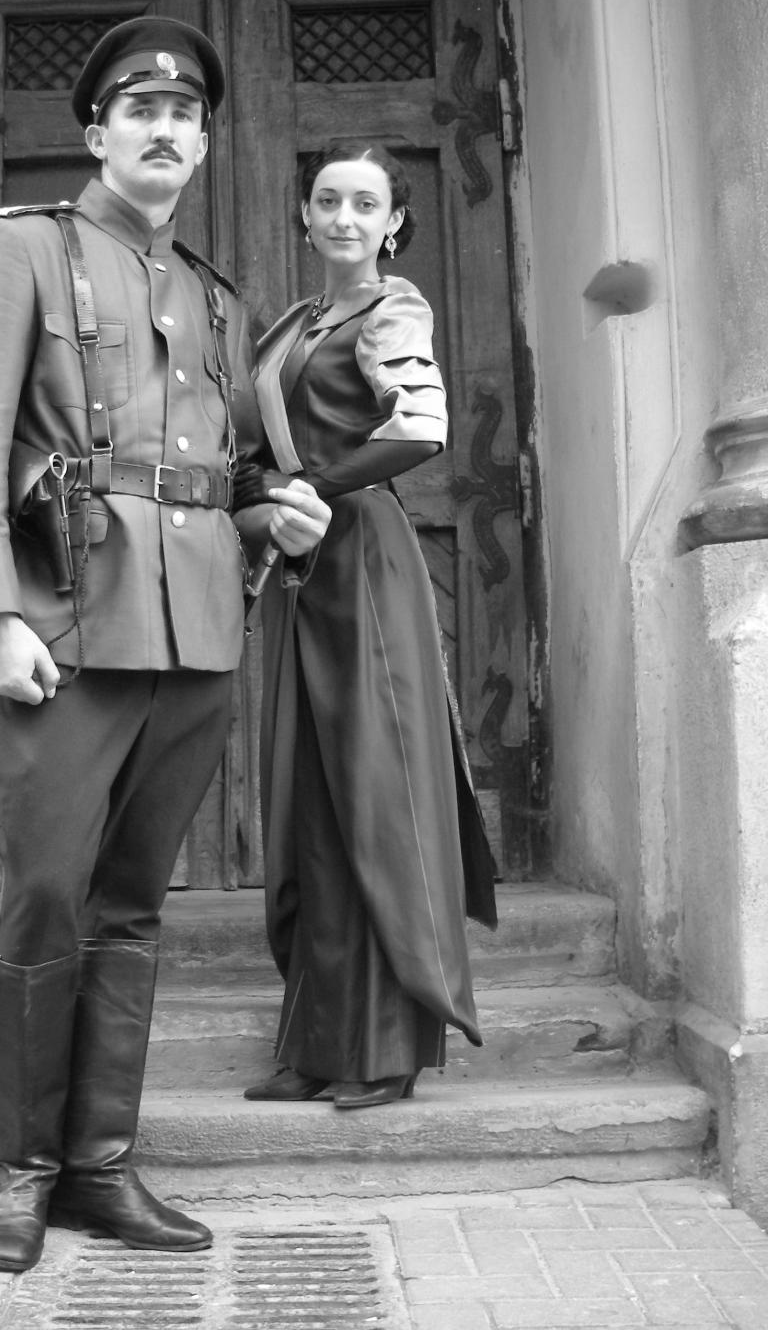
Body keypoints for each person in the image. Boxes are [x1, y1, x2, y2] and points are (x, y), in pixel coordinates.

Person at [0, 17, 331, 1273]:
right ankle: (23, 1171)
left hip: (195, 639)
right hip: (60, 626)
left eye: (185, 117)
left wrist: (274, 511)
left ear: (203, 145)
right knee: (46, 894)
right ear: (97, 131)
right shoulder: (21, 248)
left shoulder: (216, 297)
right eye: (140, 111)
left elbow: (219, 474)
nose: (166, 130)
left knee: (131, 906)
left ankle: (100, 1166)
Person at [234, 140, 498, 1112]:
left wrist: (312, 484)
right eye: (327, 200)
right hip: (303, 567)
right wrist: (264, 495)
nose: (344, 217)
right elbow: (253, 439)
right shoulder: (294, 322)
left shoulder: (397, 307)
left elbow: (419, 427)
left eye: (365, 203)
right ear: (304, 215)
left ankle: (388, 1047)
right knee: (310, 793)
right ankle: (316, 1042)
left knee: (377, 789)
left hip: (366, 563)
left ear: (394, 223)